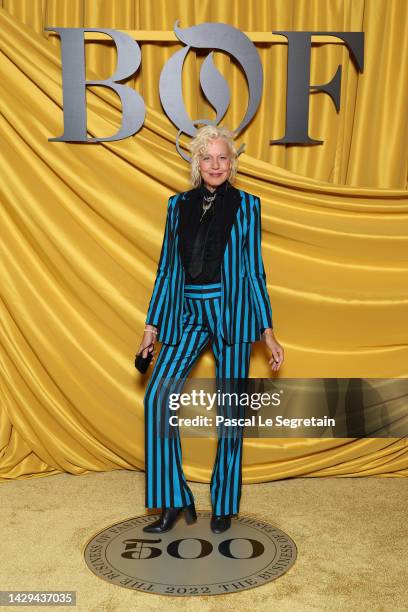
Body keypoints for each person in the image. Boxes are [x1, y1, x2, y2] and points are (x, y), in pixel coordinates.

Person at [136, 125, 284, 534]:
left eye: (223, 157)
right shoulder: (176, 205)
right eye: (207, 157)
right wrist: (151, 326)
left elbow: (254, 271)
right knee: (157, 398)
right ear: (196, 162)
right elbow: (167, 268)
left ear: (232, 164)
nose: (215, 165)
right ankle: (172, 500)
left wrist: (267, 329)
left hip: (232, 312)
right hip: (187, 311)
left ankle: (223, 503)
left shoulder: (248, 206)